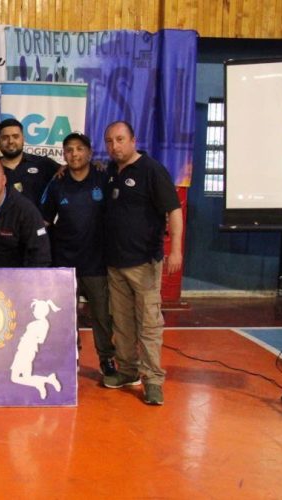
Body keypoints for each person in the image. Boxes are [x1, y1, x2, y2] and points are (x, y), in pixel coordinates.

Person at [100, 121, 183, 406]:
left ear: (133, 140)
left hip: (144, 263)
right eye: (109, 141)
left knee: (148, 324)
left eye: (120, 139)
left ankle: (153, 380)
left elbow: (174, 211)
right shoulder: (110, 172)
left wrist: (176, 251)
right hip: (115, 263)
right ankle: (127, 371)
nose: (114, 146)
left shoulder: (152, 170)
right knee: (122, 323)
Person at [40, 133, 116, 376]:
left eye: (80, 149)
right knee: (67, 316)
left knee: (101, 316)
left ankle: (107, 359)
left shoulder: (103, 177)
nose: (74, 154)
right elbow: (44, 220)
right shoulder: (57, 182)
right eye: (69, 150)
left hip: (96, 262)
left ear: (90, 153)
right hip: (65, 263)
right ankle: (71, 358)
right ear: (63, 155)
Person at [0, 118, 60, 205]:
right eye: (5, 138)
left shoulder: (43, 163)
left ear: (23, 138)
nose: (10, 141)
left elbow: (70, 173)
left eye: (15, 136)